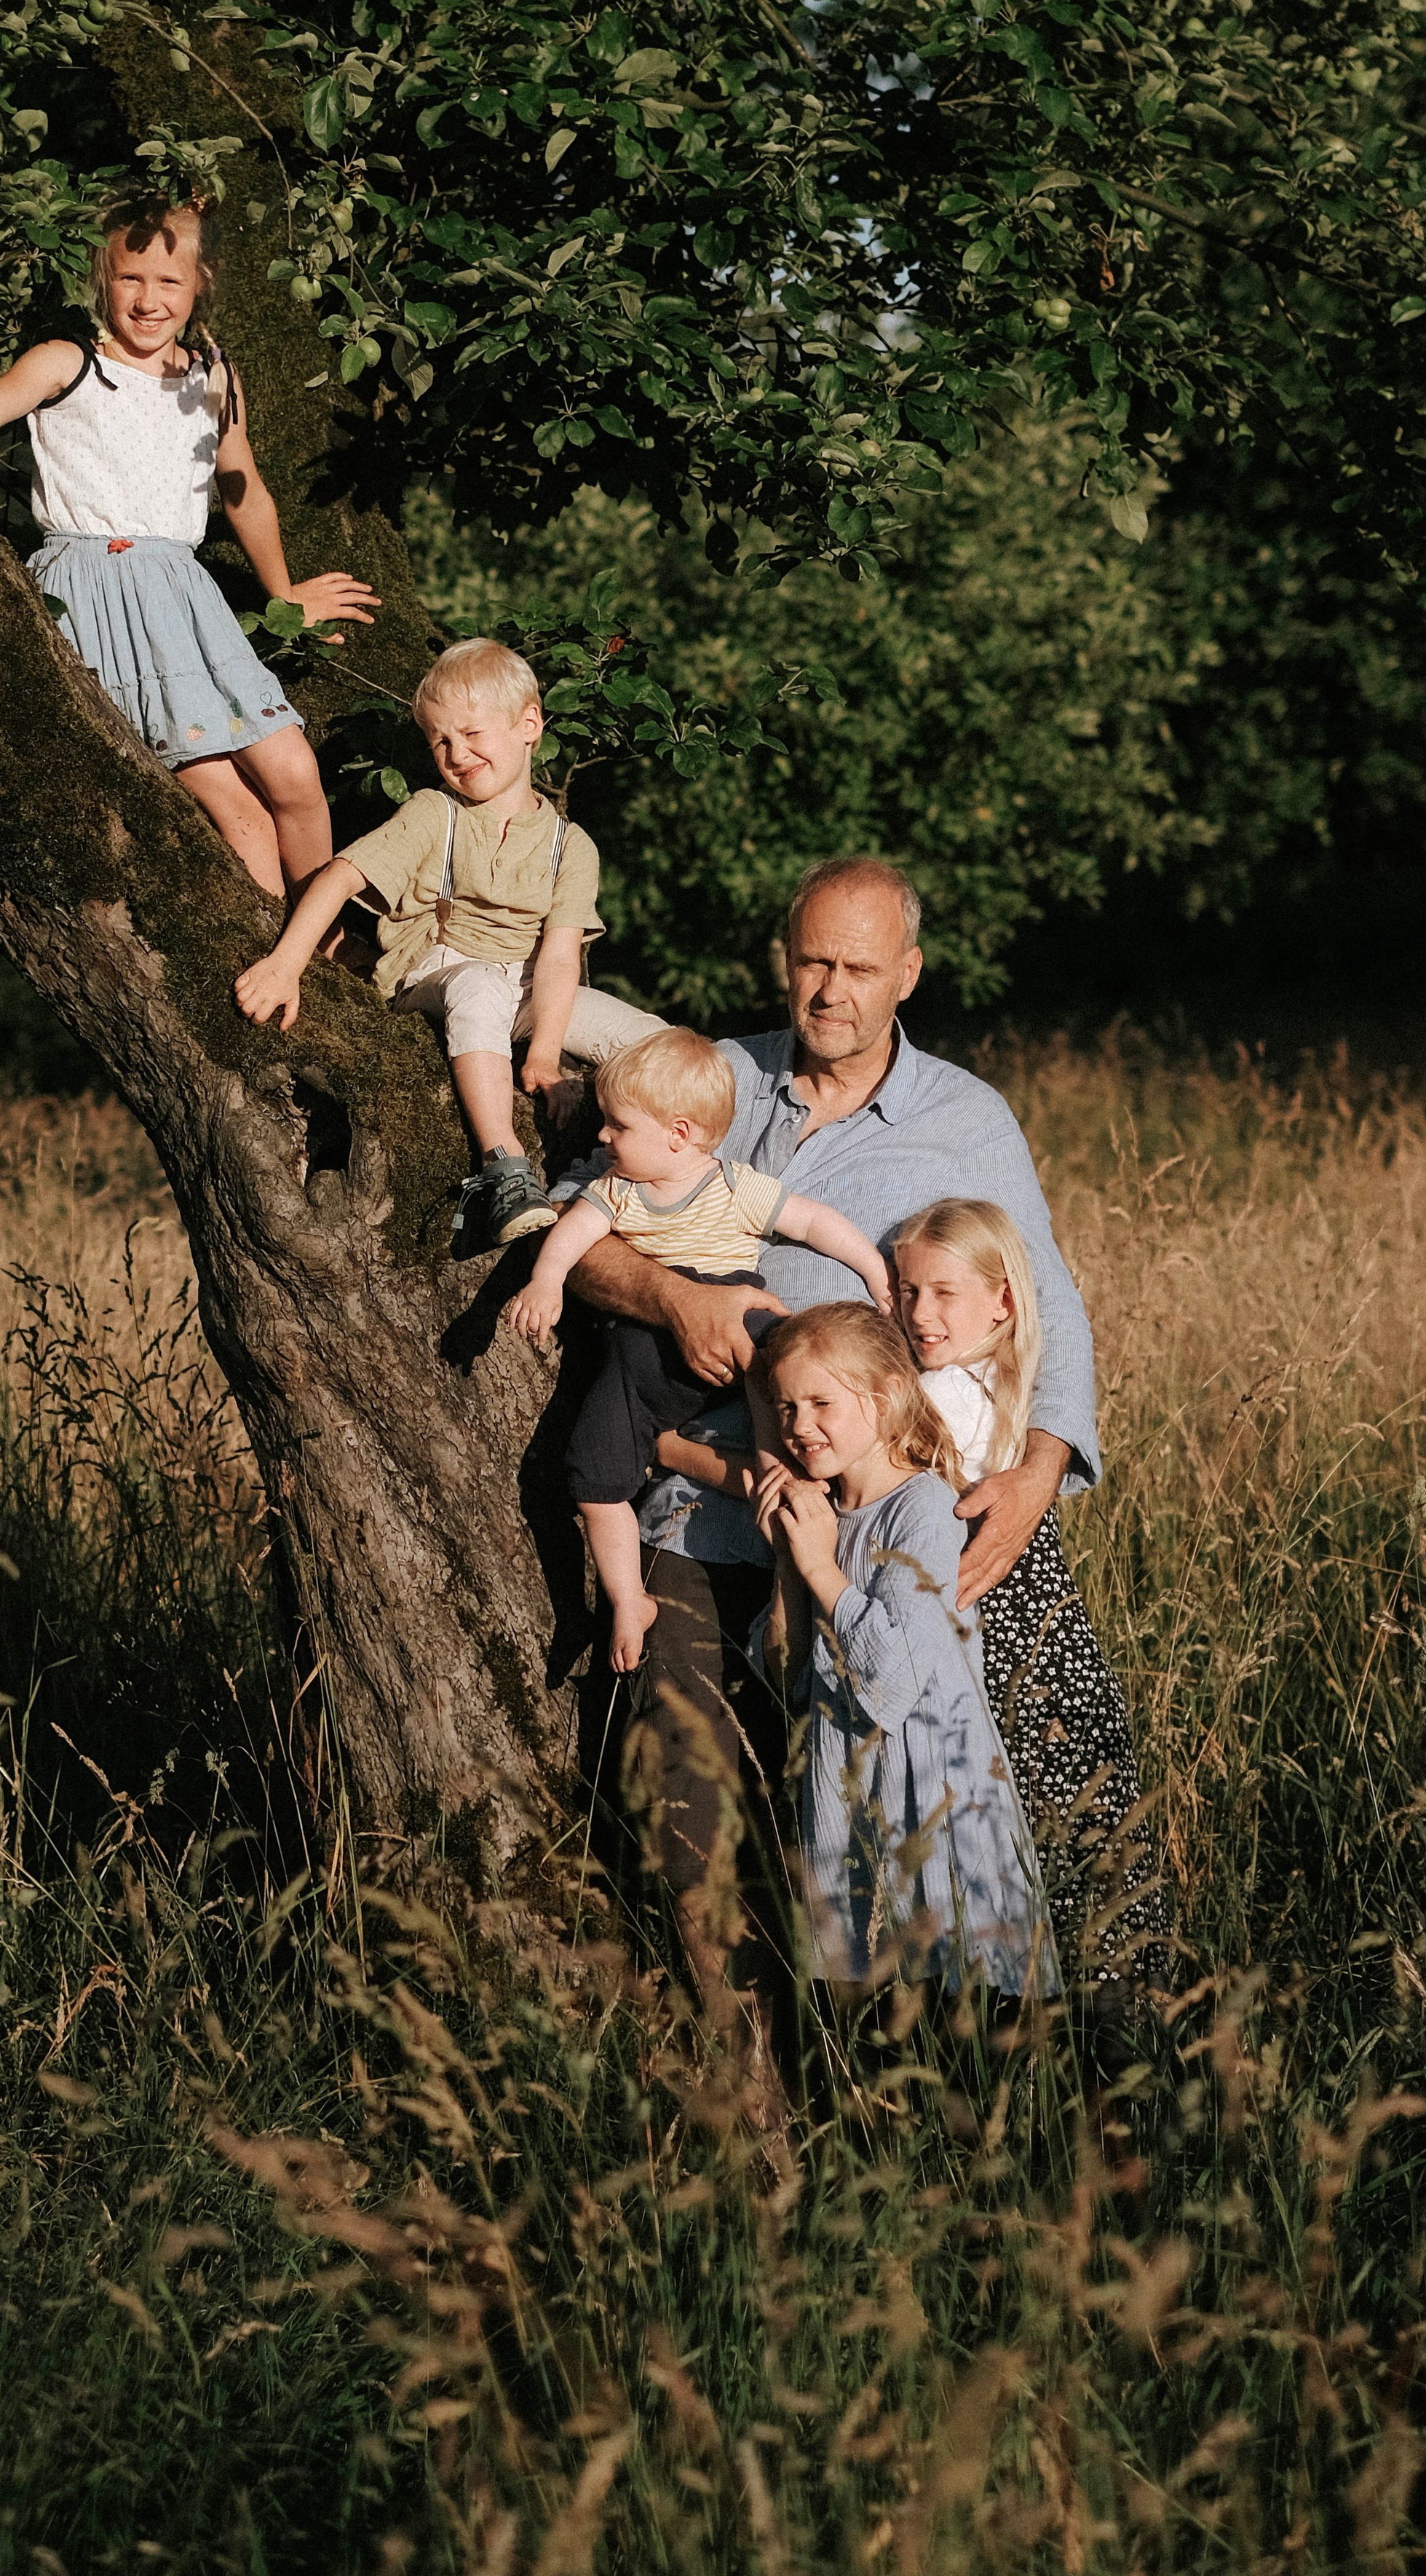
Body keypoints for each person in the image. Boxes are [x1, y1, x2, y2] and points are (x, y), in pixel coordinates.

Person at [555, 853, 1101, 2051]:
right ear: (783, 962)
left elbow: (1044, 1298)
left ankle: (1039, 2067)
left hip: (881, 1523)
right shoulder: (717, 1078)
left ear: (907, 974)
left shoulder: (963, 1119)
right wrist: (664, 1298)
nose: (832, 988)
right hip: (705, 1510)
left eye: (860, 966)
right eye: (812, 961)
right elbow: (576, 1225)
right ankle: (744, 2098)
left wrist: (1044, 1465)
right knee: (688, 1796)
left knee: (971, 1799)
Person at [0, 190, 378, 899]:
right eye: (130, 277)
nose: (148, 299)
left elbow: (243, 488)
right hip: (98, 590)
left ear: (202, 283)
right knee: (240, 813)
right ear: (103, 276)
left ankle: (326, 940)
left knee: (295, 776)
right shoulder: (66, 362)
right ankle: (283, 965)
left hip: (185, 598)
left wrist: (283, 593)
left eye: (169, 281)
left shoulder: (213, 379)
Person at [234, 639, 664, 1247]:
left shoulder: (573, 845)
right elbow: (340, 875)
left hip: (525, 985)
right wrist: (285, 966)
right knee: (479, 984)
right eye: (440, 741)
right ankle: (505, 1168)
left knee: (654, 1040)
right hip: (437, 970)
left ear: (529, 725)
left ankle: (676, 1176)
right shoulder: (436, 812)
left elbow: (563, 958)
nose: (456, 754)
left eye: (471, 733)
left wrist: (544, 1055)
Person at [501, 1026, 899, 1674]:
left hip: (740, 1320)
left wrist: (874, 1273)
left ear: (679, 1135)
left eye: (618, 1125)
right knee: (593, 1476)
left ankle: (786, 1481)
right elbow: (571, 1233)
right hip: (644, 1355)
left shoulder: (734, 1186)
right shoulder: (615, 1189)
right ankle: (630, 1600)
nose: (602, 1137)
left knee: (779, 1356)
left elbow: (814, 1222)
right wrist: (546, 1283)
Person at [893, 1198, 1173, 1996]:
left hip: (1016, 1638)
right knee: (1077, 1819)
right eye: (907, 1291)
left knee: (1056, 1821)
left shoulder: (949, 1395)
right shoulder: (993, 1375)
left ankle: (1094, 2006)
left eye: (944, 1294)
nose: (920, 1313)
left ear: (1002, 1301)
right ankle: (1107, 1995)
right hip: (1039, 1633)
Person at [756, 1304, 1057, 2001]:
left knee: (973, 2027)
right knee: (870, 2039)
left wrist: (822, 1567)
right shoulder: (825, 1518)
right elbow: (790, 1677)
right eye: (786, 1407)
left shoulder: (922, 1509)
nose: (800, 1426)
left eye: (821, 1402)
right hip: (847, 1800)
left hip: (933, 1806)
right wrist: (789, 1560)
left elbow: (891, 1679)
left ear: (885, 1398)